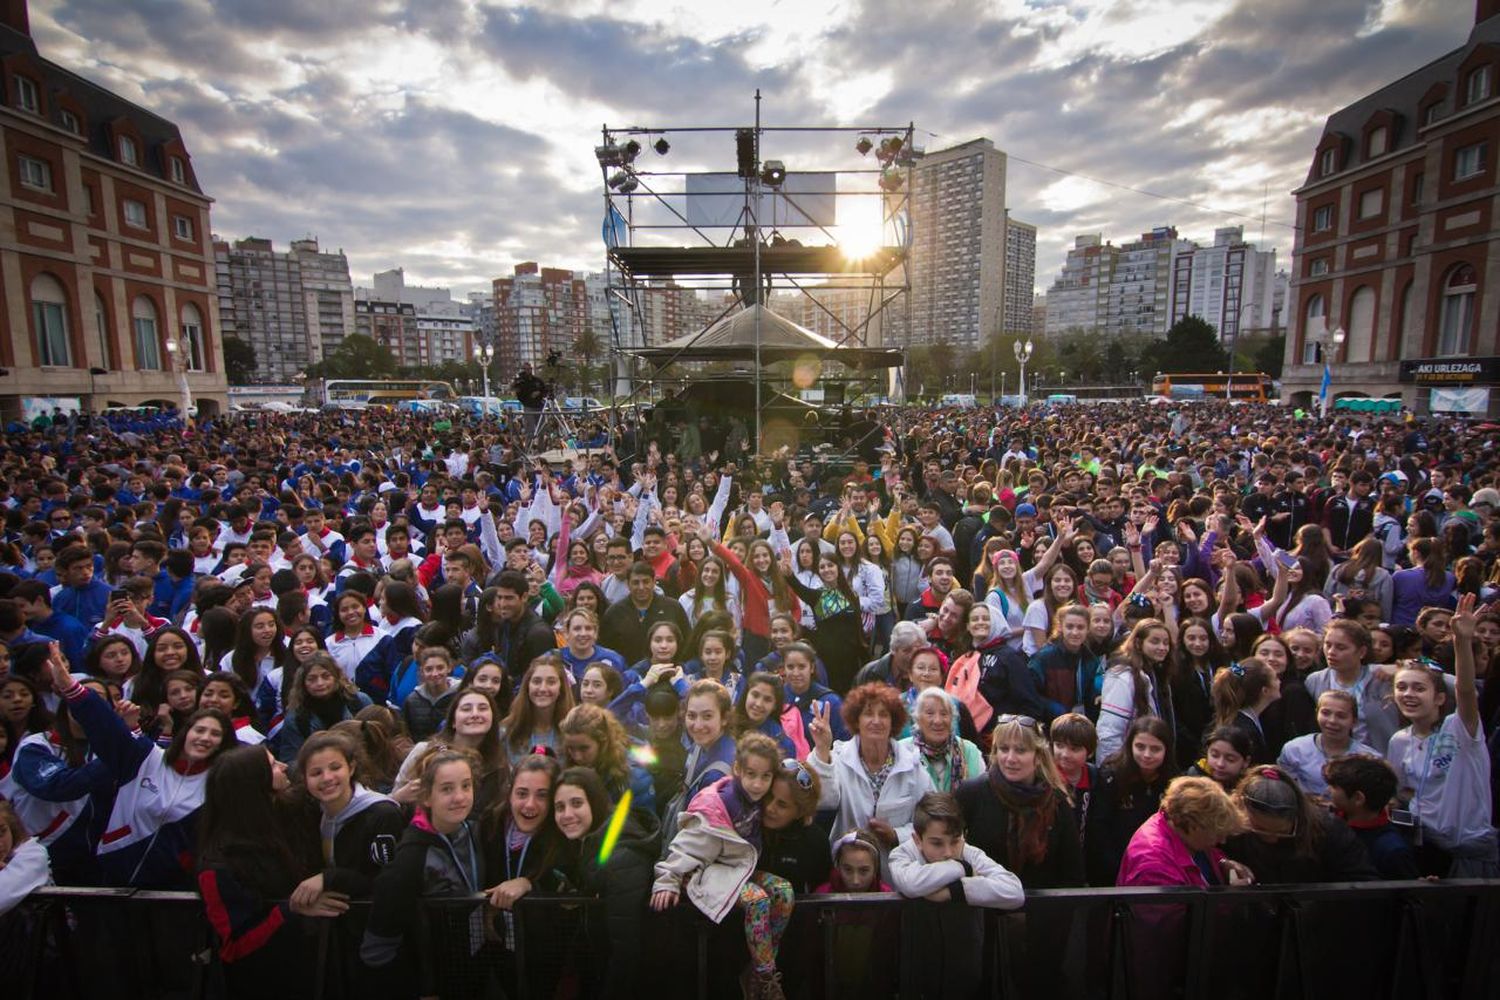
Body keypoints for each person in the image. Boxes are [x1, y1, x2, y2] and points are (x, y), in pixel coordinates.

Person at [50, 650, 238, 888]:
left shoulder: (220, 781)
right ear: (186, 733)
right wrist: (70, 687)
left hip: (174, 894)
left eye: (215, 734)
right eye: (199, 730)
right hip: (114, 879)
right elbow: (106, 727)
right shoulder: (147, 757)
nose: (205, 738)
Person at [652, 732, 793, 1000]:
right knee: (758, 901)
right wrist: (667, 878)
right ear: (737, 769)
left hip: (739, 870)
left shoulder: (758, 801)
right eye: (750, 774)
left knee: (783, 891)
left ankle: (758, 967)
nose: (757, 783)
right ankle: (765, 979)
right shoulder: (720, 803)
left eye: (765, 777)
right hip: (711, 873)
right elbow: (688, 842)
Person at [196, 745, 340, 1000]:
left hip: (309, 971)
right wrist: (291, 909)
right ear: (255, 784)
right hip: (259, 982)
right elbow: (233, 945)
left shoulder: (290, 811)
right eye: (273, 765)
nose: (284, 766)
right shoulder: (219, 865)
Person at [363, 748, 494, 1000]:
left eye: (466, 786)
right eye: (447, 789)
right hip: (431, 981)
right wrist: (416, 987)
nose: (459, 797)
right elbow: (377, 948)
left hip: (473, 967)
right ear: (427, 796)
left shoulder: (477, 831)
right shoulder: (410, 859)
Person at [1386, 593, 1497, 876]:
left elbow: (1466, 690)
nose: (1409, 694)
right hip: (1425, 848)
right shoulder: (1399, 741)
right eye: (1402, 688)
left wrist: (1461, 641)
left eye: (1419, 688)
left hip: (1469, 854)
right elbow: (1402, 793)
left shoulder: (1459, 729)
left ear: (1438, 698)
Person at [888, 791, 1025, 1000]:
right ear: (917, 839)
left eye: (955, 841)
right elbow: (911, 883)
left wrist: (956, 891)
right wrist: (961, 868)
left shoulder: (971, 853)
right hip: (918, 971)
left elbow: (1014, 891)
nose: (948, 852)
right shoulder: (902, 854)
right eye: (937, 843)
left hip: (966, 971)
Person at [553, 766, 660, 1000]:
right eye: (560, 807)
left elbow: (626, 950)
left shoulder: (623, 858)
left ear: (595, 801)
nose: (567, 814)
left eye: (577, 803)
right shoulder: (591, 840)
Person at [806, 682, 934, 875]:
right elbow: (823, 801)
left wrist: (896, 835)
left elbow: (931, 820)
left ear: (893, 722)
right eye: (868, 714)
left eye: (883, 715)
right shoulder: (840, 757)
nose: (876, 721)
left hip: (899, 874)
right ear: (856, 720)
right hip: (849, 874)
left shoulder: (912, 764)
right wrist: (823, 749)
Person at [955, 713, 1084, 887]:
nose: (1010, 759)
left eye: (1021, 750)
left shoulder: (1056, 801)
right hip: (985, 907)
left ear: (1038, 756)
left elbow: (1072, 870)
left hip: (1040, 908)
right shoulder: (972, 793)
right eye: (1004, 749)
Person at [1224, 765, 1377, 883]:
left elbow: (1361, 880)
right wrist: (1222, 862)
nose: (1273, 839)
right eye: (1260, 829)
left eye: (1282, 831)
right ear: (1242, 808)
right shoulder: (1228, 826)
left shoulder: (1328, 830)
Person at [1086, 715, 1174, 886]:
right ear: (1130, 745)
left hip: (1157, 867)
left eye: (1155, 749)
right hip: (1114, 866)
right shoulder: (1112, 775)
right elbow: (1099, 828)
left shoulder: (1172, 781)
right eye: (1140, 747)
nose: (1147, 755)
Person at [1117, 776, 1249, 887]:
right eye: (1217, 834)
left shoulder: (1182, 831)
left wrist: (1222, 863)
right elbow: (1180, 917)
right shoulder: (1155, 868)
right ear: (1193, 825)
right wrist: (1233, 898)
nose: (1222, 841)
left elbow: (1207, 855)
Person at [1323, 754, 1420, 879]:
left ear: (1358, 798)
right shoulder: (1328, 825)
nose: (1328, 790)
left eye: (1334, 787)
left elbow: (1408, 892)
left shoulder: (1391, 850)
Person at [1277, 690, 1379, 797]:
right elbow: (1284, 792)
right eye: (1325, 713)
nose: (1332, 721)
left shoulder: (1369, 759)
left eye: (1341, 716)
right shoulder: (1294, 749)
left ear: (1354, 722)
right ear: (1317, 713)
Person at [559, 702, 656, 814]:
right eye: (571, 748)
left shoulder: (634, 779)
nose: (577, 757)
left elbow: (645, 827)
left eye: (584, 749)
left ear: (603, 743)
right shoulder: (565, 769)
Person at [500, 654, 576, 765]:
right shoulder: (506, 731)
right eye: (536, 681)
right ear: (527, 686)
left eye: (551, 682)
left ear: (561, 688)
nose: (543, 688)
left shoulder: (573, 731)